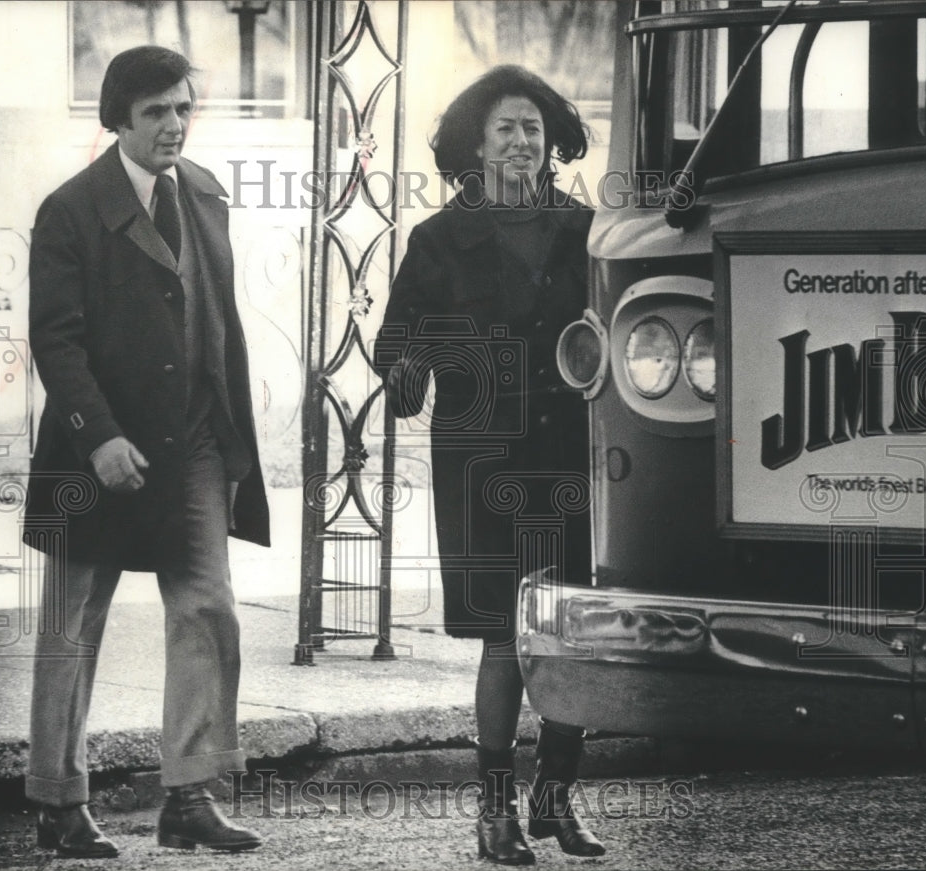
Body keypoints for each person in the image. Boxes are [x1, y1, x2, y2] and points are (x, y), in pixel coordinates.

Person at [23, 45, 270, 857]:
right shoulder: (70, 210)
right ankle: (60, 802)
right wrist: (100, 438)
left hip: (194, 439)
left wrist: (228, 432)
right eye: (156, 111)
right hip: (97, 449)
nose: (174, 124)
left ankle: (190, 796)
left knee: (208, 608)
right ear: (119, 120)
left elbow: (217, 319)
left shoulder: (203, 192)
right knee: (72, 624)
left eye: (183, 107)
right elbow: (56, 344)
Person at [377, 65, 605, 864]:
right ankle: (494, 815)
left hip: (571, 457)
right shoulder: (438, 241)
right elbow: (396, 340)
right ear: (477, 145)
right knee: (504, 639)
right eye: (505, 128)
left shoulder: (587, 230)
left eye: (533, 129)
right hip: (480, 465)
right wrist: (406, 371)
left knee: (572, 635)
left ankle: (556, 800)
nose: (520, 141)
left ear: (552, 144)